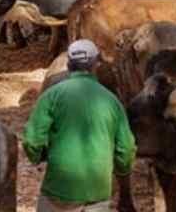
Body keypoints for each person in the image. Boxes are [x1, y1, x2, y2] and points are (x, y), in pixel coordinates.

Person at [24, 39, 136, 212]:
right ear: (95, 65)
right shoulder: (112, 101)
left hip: (59, 190)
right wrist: (121, 171)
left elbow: (32, 140)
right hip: (98, 192)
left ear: (68, 65)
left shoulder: (52, 95)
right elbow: (126, 149)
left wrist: (39, 156)